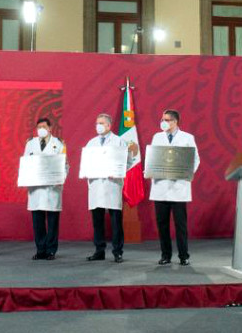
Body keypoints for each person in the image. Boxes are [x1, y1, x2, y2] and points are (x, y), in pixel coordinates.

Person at [85, 113, 139, 263]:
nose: (98, 126)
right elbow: (86, 163)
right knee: (97, 221)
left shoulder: (119, 142)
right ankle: (99, 250)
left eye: (101, 123)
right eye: (97, 123)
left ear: (108, 125)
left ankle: (117, 252)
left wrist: (118, 172)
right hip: (96, 186)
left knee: (116, 221)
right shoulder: (91, 143)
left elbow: (128, 162)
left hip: (112, 185)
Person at [149, 109, 200, 266]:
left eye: (167, 119)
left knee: (180, 225)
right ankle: (166, 255)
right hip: (161, 187)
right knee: (162, 224)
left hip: (179, 187)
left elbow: (195, 159)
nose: (163, 122)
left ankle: (183, 255)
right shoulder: (157, 137)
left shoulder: (187, 138)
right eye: (162, 119)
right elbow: (153, 158)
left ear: (175, 121)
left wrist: (186, 173)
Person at [23, 118, 66, 260]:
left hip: (52, 188)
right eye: (38, 127)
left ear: (50, 128)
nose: (40, 129)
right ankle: (40, 249)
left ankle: (51, 250)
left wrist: (61, 179)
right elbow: (25, 163)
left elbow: (65, 165)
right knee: (38, 221)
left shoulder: (58, 143)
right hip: (36, 188)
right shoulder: (30, 143)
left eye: (43, 126)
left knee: (53, 221)